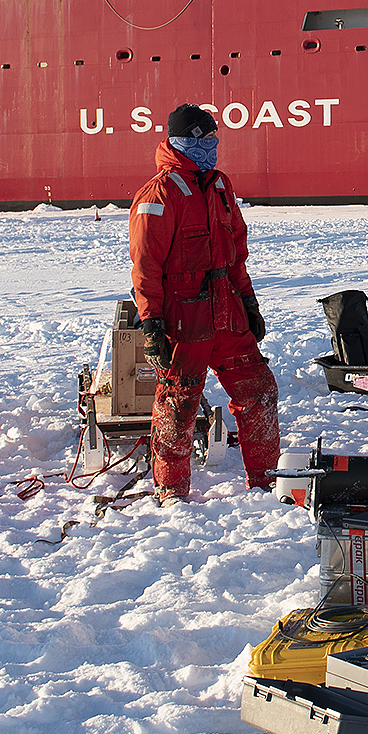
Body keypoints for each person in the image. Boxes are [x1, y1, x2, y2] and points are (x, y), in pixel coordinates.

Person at [129, 104, 281, 499]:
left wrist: (248, 302)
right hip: (184, 317)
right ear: (189, 140)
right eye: (208, 138)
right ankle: (171, 492)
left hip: (226, 311)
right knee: (178, 406)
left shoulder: (218, 185)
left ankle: (266, 482)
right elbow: (145, 267)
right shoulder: (159, 194)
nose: (214, 145)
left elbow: (236, 252)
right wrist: (152, 325)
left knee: (259, 390)